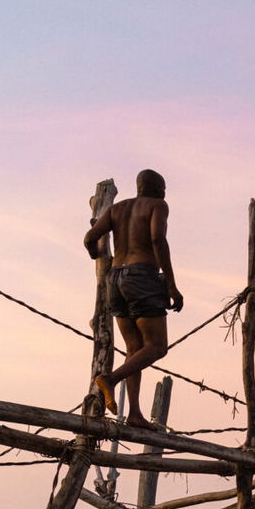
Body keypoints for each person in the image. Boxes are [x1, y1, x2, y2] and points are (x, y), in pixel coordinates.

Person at [83, 169, 183, 427]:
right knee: (158, 347)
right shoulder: (158, 205)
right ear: (156, 188)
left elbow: (90, 238)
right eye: (163, 187)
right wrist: (171, 284)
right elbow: (157, 239)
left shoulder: (118, 209)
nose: (165, 192)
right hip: (141, 276)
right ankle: (110, 379)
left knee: (134, 349)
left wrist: (97, 254)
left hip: (114, 279)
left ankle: (135, 414)